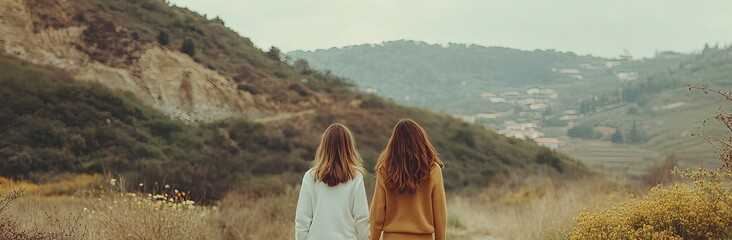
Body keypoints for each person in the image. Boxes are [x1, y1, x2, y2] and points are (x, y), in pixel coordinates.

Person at [370, 119, 447, 240]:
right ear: (421, 140)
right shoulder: (433, 170)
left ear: (394, 143)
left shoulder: (384, 169)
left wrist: (372, 238)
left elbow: (377, 212)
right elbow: (440, 213)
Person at [295, 123, 370, 240]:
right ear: (349, 147)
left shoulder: (310, 177)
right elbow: (361, 219)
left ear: (324, 146)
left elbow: (302, 220)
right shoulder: (355, 177)